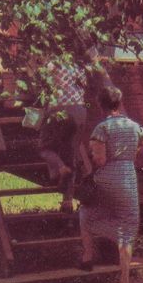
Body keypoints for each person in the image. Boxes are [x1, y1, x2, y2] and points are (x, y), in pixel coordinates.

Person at [79, 85, 143, 283]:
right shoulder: (132, 125)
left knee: (87, 213)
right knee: (128, 225)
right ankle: (124, 282)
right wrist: (131, 154)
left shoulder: (101, 129)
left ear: (100, 104)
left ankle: (88, 256)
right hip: (127, 176)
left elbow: (100, 160)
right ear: (119, 103)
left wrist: (94, 157)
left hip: (107, 177)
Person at [38, 58, 88, 213]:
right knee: (71, 155)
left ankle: (59, 168)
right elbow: (85, 84)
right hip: (79, 111)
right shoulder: (79, 65)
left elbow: (41, 87)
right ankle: (67, 200)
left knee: (45, 148)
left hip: (59, 109)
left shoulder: (50, 64)